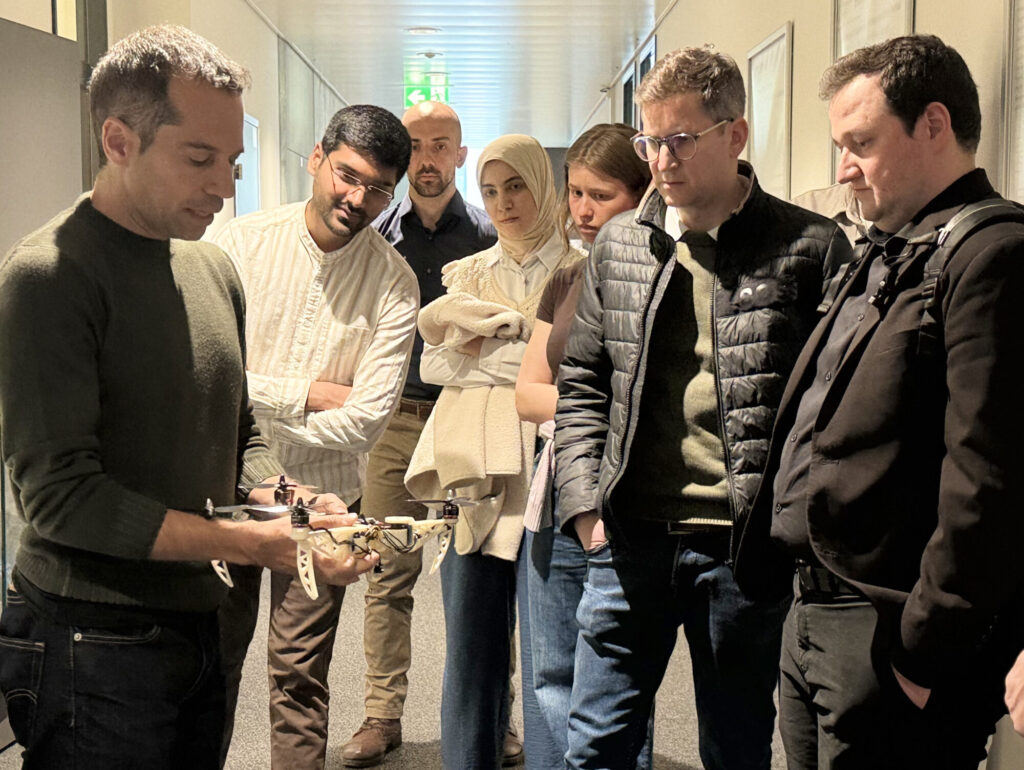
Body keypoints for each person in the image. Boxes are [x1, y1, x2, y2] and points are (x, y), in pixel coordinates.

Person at [0, 25, 376, 769]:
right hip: (91, 637)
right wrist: (250, 544)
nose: (224, 186)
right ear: (119, 141)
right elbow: (61, 498)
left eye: (232, 161)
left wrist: (290, 500)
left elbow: (237, 435)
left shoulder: (211, 269)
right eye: (199, 159)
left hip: (200, 622)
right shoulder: (49, 276)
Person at [552, 46, 851, 770]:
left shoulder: (808, 248)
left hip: (740, 549)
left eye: (680, 140)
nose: (661, 161)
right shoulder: (622, 245)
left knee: (735, 746)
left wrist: (792, 530)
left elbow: (834, 408)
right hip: (628, 539)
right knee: (595, 746)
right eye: (650, 142)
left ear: (735, 134)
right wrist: (585, 508)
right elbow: (583, 382)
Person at [733, 34, 1024, 769]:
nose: (843, 168)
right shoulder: (892, 249)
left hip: (887, 627)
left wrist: (925, 648)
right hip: (815, 610)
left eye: (861, 142)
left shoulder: (992, 253)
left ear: (933, 124)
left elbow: (988, 476)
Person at [212, 104, 419, 770]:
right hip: (226, 485)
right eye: (347, 175)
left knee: (299, 675)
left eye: (378, 188)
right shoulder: (240, 246)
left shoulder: (394, 284)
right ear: (317, 158)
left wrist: (249, 397)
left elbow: (365, 422)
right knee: (207, 659)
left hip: (324, 503)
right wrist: (304, 393)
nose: (357, 198)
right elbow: (205, 379)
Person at [405, 134, 585, 769]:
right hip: (474, 471)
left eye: (516, 186)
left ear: (544, 187)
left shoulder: (579, 270)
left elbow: (575, 376)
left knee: (550, 652)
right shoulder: (468, 273)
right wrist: (525, 361)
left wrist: (486, 351)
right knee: (470, 642)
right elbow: (434, 365)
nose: (504, 202)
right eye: (490, 190)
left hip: (550, 468)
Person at [337, 101, 497, 768]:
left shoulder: (489, 234)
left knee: (480, 576)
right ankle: (382, 715)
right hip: (394, 419)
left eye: (441, 145)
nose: (427, 159)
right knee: (385, 569)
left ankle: (491, 720)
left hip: (466, 417)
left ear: (461, 153)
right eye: (416, 146)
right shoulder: (374, 234)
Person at [513, 123, 651, 769]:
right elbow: (526, 394)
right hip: (554, 489)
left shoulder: (660, 273)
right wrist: (597, 409)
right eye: (575, 193)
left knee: (617, 679)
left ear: (642, 194)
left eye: (602, 195)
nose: (584, 211)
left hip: (623, 495)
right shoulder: (567, 276)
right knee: (551, 673)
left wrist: (579, 410)